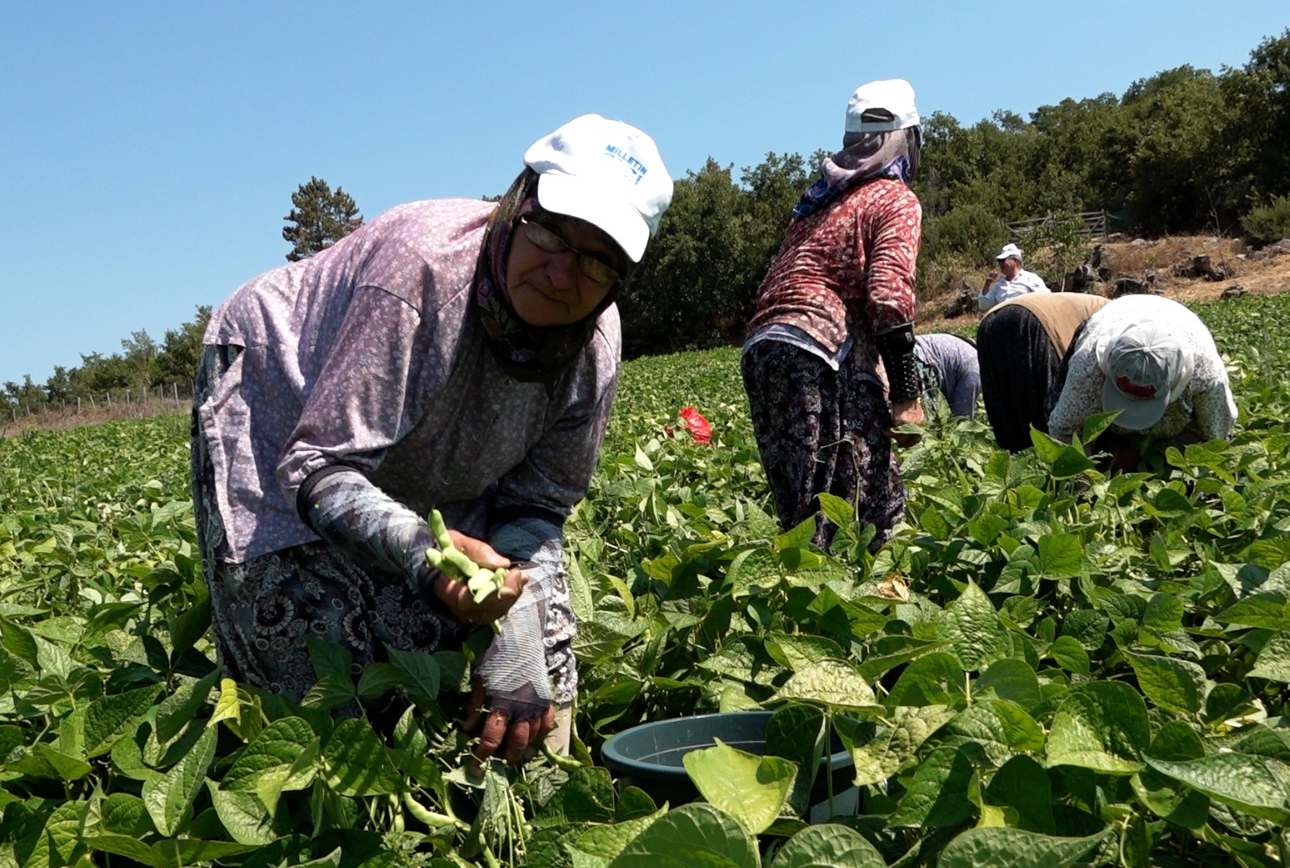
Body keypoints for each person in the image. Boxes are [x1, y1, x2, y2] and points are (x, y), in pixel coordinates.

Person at [190, 114, 673, 764]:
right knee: (312, 659)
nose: (564, 273)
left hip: (419, 438)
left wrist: (525, 634)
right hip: (284, 385)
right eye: (553, 233)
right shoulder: (419, 276)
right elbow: (317, 469)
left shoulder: (593, 347)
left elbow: (534, 508)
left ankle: (526, 808)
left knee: (535, 659)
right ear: (517, 205)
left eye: (597, 260)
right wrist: (422, 553)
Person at [742, 78, 924, 552]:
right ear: (906, 139)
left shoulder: (815, 203)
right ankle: (866, 611)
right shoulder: (893, 198)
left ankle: (804, 612)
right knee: (866, 511)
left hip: (765, 348)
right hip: (824, 351)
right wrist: (906, 394)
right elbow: (887, 294)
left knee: (804, 513)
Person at [1047, 295, 1238, 469]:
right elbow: (1064, 428)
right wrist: (1084, 488)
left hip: (1181, 320)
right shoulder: (1088, 365)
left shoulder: (1205, 375)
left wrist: (1160, 461)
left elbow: (1215, 436)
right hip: (1114, 315)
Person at [977, 291, 1110, 451]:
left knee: (1007, 409)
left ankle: (1018, 465)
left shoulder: (1116, 308)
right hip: (1035, 321)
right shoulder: (1125, 324)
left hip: (990, 319)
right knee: (1048, 417)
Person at [913, 333, 980, 419]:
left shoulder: (968, 351)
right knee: (928, 421)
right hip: (919, 360)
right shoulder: (976, 371)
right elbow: (961, 417)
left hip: (901, 350)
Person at [976, 243, 1051, 311]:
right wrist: (987, 284)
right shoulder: (999, 285)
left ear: (1015, 260)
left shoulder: (1031, 279)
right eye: (999, 261)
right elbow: (983, 305)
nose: (1000, 264)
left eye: (1003, 260)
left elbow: (1047, 299)